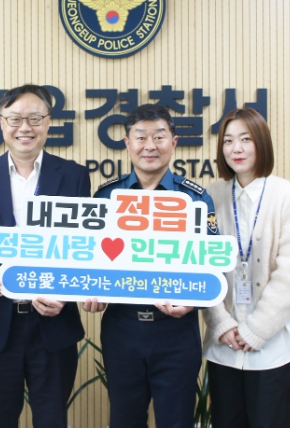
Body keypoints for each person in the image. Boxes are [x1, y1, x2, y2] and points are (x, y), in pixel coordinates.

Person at [0, 84, 91, 428]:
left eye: (34, 118)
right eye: (15, 119)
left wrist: (64, 291)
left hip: (53, 323)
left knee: (52, 420)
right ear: (1, 124)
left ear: (48, 123)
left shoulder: (74, 176)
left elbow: (85, 248)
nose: (25, 128)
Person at [86, 104, 218, 428]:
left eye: (159, 137)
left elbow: (212, 264)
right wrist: (90, 289)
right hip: (121, 328)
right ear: (127, 143)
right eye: (140, 137)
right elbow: (89, 257)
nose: (150, 146)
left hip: (176, 331)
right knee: (124, 420)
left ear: (173, 142)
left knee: (177, 421)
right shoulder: (106, 196)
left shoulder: (195, 199)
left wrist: (193, 301)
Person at [203, 107, 290, 428]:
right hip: (224, 345)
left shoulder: (288, 196)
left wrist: (257, 330)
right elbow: (202, 267)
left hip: (273, 345)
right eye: (228, 141)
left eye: (245, 139)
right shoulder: (211, 196)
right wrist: (221, 322)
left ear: (261, 143)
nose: (236, 148)